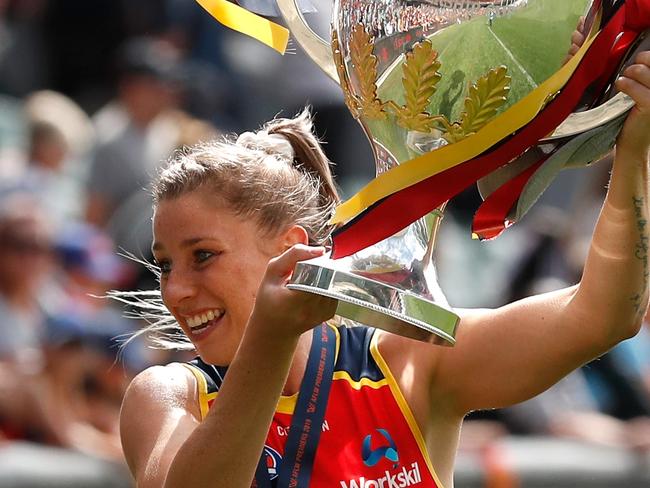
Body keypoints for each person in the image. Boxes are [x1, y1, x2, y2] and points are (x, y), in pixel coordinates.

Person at [118, 44, 650, 487]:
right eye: (165, 265)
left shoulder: (407, 364)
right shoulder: (166, 395)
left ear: (292, 247)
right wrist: (269, 339)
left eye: (202, 256)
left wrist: (635, 153)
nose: (176, 291)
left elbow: (602, 316)